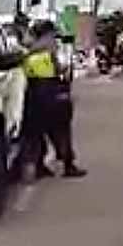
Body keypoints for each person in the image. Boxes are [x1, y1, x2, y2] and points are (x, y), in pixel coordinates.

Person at [19, 20, 87, 179]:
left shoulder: (28, 52)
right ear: (48, 34)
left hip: (34, 95)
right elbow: (59, 70)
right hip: (51, 92)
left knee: (37, 134)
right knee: (61, 131)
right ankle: (68, 165)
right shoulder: (50, 50)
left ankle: (39, 166)